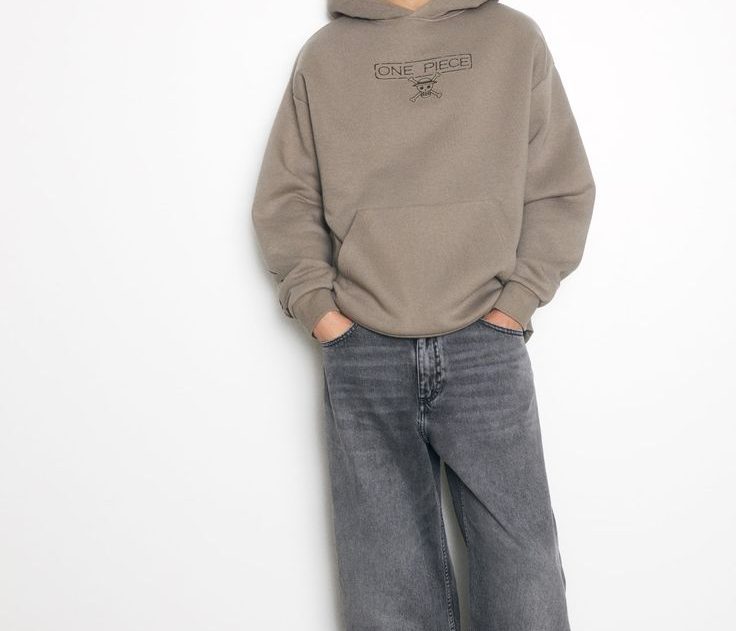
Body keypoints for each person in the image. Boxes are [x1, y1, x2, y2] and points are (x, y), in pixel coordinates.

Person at [251, 0, 595, 628]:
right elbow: (286, 196)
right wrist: (321, 311)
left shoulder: (513, 38)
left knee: (524, 575)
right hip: (363, 346)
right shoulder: (326, 55)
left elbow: (561, 186)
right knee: (384, 585)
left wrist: (516, 304)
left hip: (486, 343)